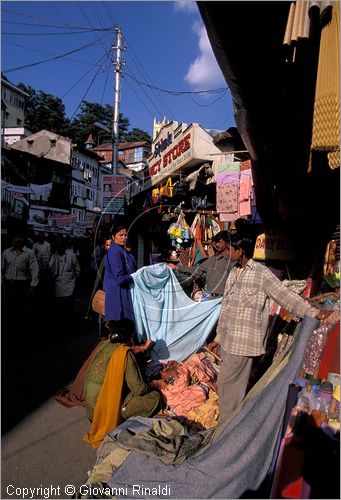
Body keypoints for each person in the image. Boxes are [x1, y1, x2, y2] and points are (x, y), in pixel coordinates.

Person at [216, 232, 338, 421]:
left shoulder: (260, 273)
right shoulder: (233, 273)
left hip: (242, 344)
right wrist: (217, 338)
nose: (225, 253)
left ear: (240, 251)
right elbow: (226, 307)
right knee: (224, 387)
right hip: (228, 341)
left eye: (229, 249)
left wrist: (314, 313)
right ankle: (226, 429)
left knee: (230, 392)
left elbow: (285, 297)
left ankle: (224, 432)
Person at [83, 319, 161, 448]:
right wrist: (157, 384)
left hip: (91, 412)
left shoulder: (106, 344)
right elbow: (139, 389)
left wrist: (143, 349)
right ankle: (121, 417)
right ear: (131, 336)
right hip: (102, 413)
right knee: (153, 397)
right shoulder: (125, 354)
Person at [178, 230, 235, 298]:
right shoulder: (212, 259)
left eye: (219, 242)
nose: (217, 245)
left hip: (222, 299)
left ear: (227, 243)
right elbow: (197, 270)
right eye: (216, 242)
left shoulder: (231, 260)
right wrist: (178, 267)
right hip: (209, 298)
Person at [1, 233, 39, 334]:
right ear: (12, 240)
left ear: (24, 240)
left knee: (21, 310)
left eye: (20, 237)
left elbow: (34, 270)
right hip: (9, 285)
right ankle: (8, 330)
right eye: (16, 237)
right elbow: (1, 270)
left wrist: (32, 286)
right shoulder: (6, 252)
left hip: (22, 285)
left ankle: (21, 331)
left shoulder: (29, 253)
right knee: (8, 309)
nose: (18, 240)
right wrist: (2, 285)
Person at [103, 225, 137, 322]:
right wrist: (136, 276)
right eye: (120, 235)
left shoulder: (122, 250)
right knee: (120, 328)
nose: (124, 237)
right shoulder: (114, 251)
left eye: (125, 235)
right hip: (118, 295)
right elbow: (120, 278)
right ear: (113, 237)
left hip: (124, 292)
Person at [49, 239, 81, 334]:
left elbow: (77, 270)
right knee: (58, 309)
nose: (59, 248)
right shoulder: (54, 256)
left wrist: (73, 280)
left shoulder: (71, 255)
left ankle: (68, 327)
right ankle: (59, 327)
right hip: (57, 286)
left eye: (60, 246)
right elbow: (50, 268)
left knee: (68, 309)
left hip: (69, 287)